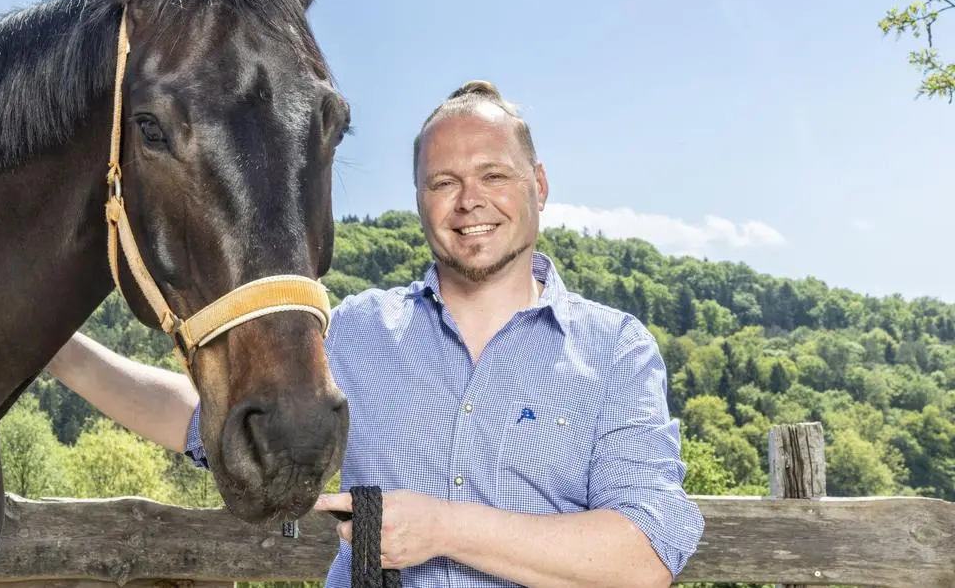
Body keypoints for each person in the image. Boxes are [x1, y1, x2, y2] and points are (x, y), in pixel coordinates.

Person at [47, 80, 704, 588]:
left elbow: (644, 554)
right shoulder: (360, 329)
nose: (469, 200)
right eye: (444, 182)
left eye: (494, 175)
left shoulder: (616, 349)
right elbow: (206, 417)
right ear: (420, 200)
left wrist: (442, 528)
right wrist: (58, 351)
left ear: (538, 185)